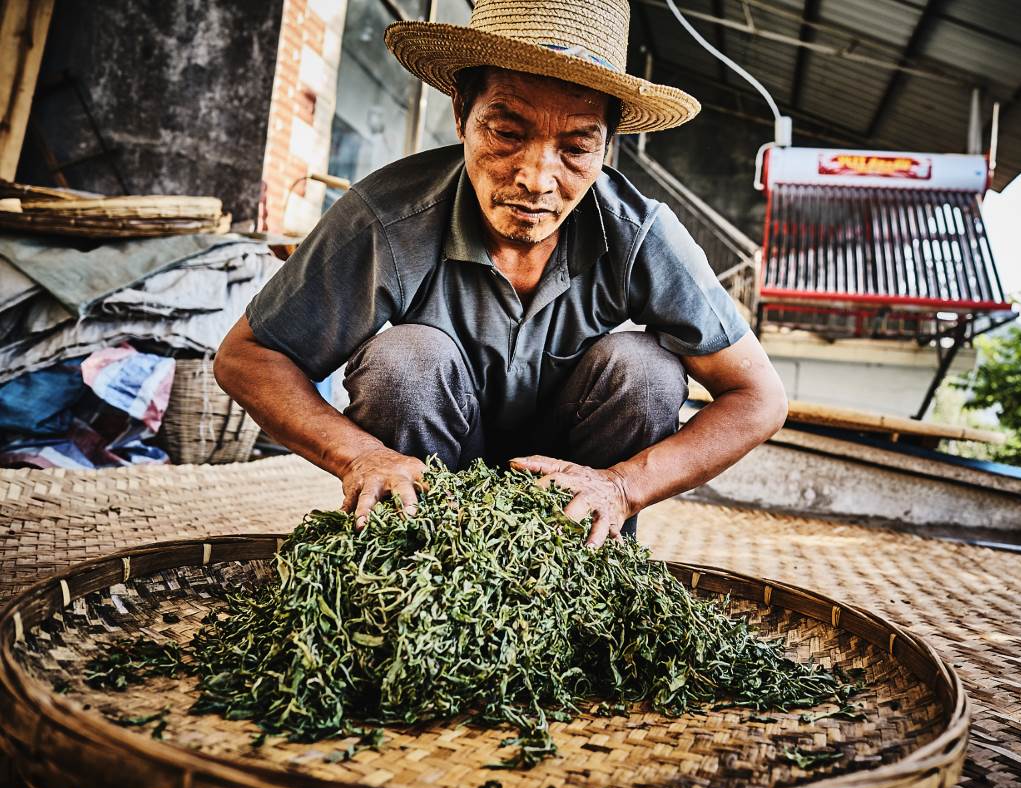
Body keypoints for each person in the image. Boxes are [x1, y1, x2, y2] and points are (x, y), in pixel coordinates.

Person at [214, 0, 787, 546]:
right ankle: (415, 558)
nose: (537, 179)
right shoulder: (389, 218)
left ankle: (590, 563)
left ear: (608, 146)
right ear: (462, 112)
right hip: (428, 500)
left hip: (573, 506)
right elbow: (248, 356)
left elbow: (758, 397)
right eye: (508, 133)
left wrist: (623, 486)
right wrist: (358, 456)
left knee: (646, 370)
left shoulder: (638, 233)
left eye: (576, 147)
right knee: (405, 363)